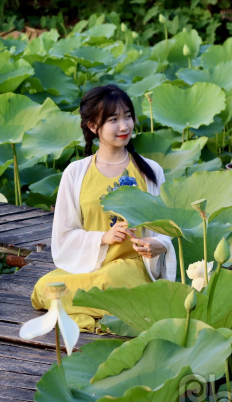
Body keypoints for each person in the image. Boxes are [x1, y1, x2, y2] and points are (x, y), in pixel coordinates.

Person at [31, 84, 177, 332]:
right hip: (93, 266)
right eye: (114, 119)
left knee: (113, 279)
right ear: (92, 126)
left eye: (128, 116)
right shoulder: (75, 173)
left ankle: (84, 312)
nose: (124, 126)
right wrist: (103, 237)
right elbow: (64, 235)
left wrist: (160, 244)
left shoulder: (150, 171)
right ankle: (100, 314)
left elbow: (169, 225)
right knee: (44, 288)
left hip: (131, 269)